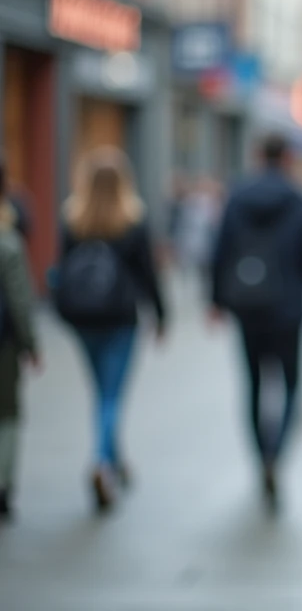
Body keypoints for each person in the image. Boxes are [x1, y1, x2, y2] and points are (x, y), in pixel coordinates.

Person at [210, 133, 302, 512]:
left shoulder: (238, 197)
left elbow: (220, 250)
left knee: (254, 384)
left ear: (259, 156)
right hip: (288, 308)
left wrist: (215, 299)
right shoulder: (299, 200)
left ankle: (261, 456)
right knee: (293, 385)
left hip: (247, 306)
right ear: (289, 157)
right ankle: (277, 454)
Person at [54, 148, 166, 513]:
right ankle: (103, 462)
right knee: (111, 395)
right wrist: (162, 315)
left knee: (101, 392)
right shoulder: (132, 220)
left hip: (84, 321)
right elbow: (148, 274)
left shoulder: (73, 218)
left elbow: (62, 271)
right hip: (120, 318)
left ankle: (114, 460)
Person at [0, 155, 40, 522]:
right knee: (7, 413)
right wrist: (31, 344)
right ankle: (3, 483)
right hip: (4, 344)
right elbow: (19, 296)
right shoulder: (7, 238)